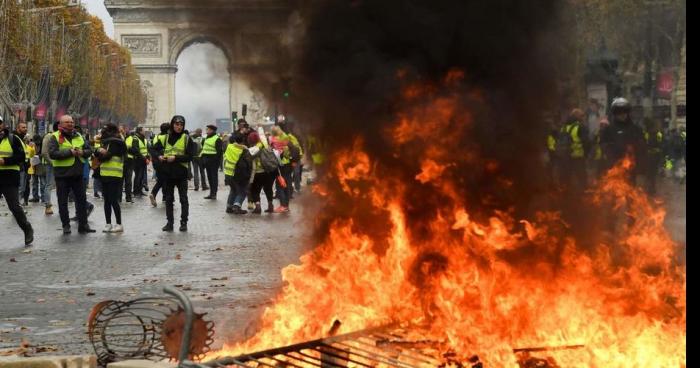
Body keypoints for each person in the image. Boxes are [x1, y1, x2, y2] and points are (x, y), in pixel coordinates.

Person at [48, 114, 96, 234]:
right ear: (60, 124)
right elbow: (53, 153)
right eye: (67, 122)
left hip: (77, 174)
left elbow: (89, 150)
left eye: (71, 122)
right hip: (62, 175)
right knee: (63, 202)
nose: (70, 124)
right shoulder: (54, 137)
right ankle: (66, 225)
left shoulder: (78, 135)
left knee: (81, 200)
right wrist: (70, 152)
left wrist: (82, 152)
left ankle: (83, 225)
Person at [149, 115, 195, 232]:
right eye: (176, 124)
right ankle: (169, 223)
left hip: (181, 173)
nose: (179, 127)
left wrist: (175, 158)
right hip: (168, 173)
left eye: (181, 125)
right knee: (169, 199)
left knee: (183, 199)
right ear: (172, 125)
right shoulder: (164, 138)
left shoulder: (186, 138)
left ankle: (183, 222)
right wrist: (158, 156)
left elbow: (190, 156)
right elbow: (152, 149)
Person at [0, 116, 34, 246]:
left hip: (9, 177)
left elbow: (21, 156)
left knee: (14, 206)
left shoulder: (13, 139)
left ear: (3, 125)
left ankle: (27, 228)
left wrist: (5, 161)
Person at [600, 97, 646, 183]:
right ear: (615, 114)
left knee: (630, 190)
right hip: (614, 166)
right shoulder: (608, 129)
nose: (622, 115)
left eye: (624, 112)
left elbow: (642, 148)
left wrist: (640, 166)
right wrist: (611, 157)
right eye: (619, 112)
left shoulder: (636, 129)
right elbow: (603, 145)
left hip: (631, 166)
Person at [94, 123, 126, 233]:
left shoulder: (117, 141)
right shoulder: (106, 142)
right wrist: (99, 150)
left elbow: (107, 156)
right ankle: (108, 223)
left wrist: (101, 152)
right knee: (106, 200)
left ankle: (119, 223)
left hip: (115, 174)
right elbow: (97, 153)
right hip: (105, 173)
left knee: (113, 200)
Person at [558, 108, 590, 193]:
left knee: (566, 178)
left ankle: (566, 196)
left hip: (564, 157)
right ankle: (584, 196)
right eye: (582, 116)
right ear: (578, 117)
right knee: (582, 178)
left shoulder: (563, 127)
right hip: (578, 157)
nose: (583, 118)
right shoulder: (580, 127)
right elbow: (586, 142)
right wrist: (586, 154)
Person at [224, 133, 253, 214]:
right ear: (243, 141)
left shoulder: (229, 147)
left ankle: (229, 207)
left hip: (227, 173)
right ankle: (237, 206)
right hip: (237, 174)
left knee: (233, 190)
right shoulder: (244, 150)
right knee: (242, 191)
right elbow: (247, 163)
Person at [269, 125, 292, 213]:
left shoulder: (272, 139)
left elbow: (270, 148)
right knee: (286, 185)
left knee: (279, 185)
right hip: (287, 163)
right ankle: (286, 205)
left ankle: (282, 206)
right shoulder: (285, 138)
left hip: (279, 163)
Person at [200, 124, 223, 200]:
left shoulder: (217, 139)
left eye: (208, 130)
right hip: (207, 160)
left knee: (214, 177)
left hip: (213, 161)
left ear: (212, 130)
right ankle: (211, 193)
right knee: (209, 177)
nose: (207, 131)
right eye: (207, 129)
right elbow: (204, 149)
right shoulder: (206, 138)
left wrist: (216, 161)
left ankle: (214, 194)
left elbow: (219, 152)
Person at [149, 123, 169, 206]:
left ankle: (157, 195)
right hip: (165, 161)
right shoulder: (167, 137)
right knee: (166, 180)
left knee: (161, 179)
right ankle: (165, 197)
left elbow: (152, 149)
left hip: (156, 162)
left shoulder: (156, 137)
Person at [126, 126, 148, 198]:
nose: (144, 131)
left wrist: (148, 157)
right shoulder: (136, 138)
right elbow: (136, 150)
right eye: (143, 130)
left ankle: (140, 190)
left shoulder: (143, 139)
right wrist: (144, 158)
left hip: (143, 160)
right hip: (138, 160)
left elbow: (145, 149)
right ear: (140, 131)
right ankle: (136, 191)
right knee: (138, 176)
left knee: (141, 176)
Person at [41, 122, 57, 215]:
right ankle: (48, 206)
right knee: (49, 185)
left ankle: (62, 205)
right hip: (51, 165)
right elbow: (44, 152)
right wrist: (52, 162)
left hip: (62, 165)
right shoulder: (49, 136)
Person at [13, 122, 29, 206]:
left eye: (26, 127)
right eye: (23, 127)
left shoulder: (22, 138)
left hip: (24, 167)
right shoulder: (15, 138)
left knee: (22, 188)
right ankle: (16, 207)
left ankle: (17, 206)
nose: (25, 129)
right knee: (20, 188)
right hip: (19, 167)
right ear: (18, 129)